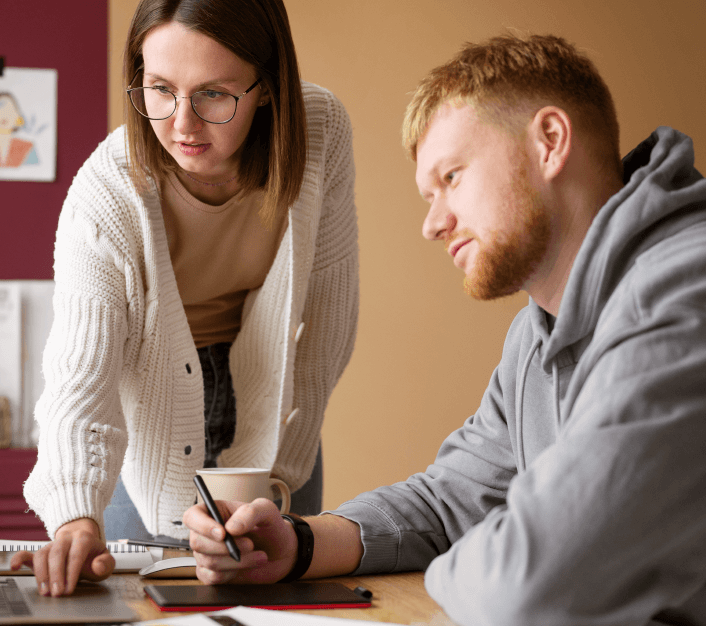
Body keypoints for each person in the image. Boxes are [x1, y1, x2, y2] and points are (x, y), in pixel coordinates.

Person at [185, 33, 706, 625]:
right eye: (428, 196)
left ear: (550, 141)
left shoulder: (681, 293)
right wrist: (298, 543)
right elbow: (448, 503)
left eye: (452, 177)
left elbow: (525, 584)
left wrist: (474, 558)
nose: (433, 224)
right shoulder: (535, 336)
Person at [12, 0, 359, 598]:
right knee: (144, 603)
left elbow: (328, 318)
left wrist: (276, 475)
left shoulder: (320, 130)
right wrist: (75, 514)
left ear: (267, 87)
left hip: (273, 393)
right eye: (160, 89)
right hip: (149, 406)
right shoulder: (107, 191)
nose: (182, 125)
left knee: (273, 601)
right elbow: (78, 374)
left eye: (213, 95)